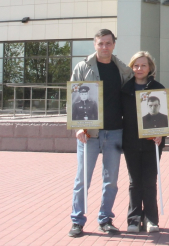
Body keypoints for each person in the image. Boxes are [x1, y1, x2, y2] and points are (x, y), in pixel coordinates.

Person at [68, 29, 134, 238]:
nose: (104, 47)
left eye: (108, 43)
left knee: (111, 180)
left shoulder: (123, 69)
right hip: (90, 133)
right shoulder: (83, 68)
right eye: (100, 43)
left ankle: (105, 219)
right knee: (82, 179)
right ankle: (77, 221)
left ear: (114, 44)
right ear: (94, 44)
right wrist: (78, 127)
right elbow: (72, 99)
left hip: (115, 132)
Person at [121, 51, 169, 234]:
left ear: (150, 67)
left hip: (152, 143)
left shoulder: (158, 88)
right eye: (136, 65)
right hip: (131, 142)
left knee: (150, 181)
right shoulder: (125, 89)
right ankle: (134, 219)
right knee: (134, 182)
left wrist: (162, 133)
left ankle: (151, 219)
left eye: (143, 65)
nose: (139, 69)